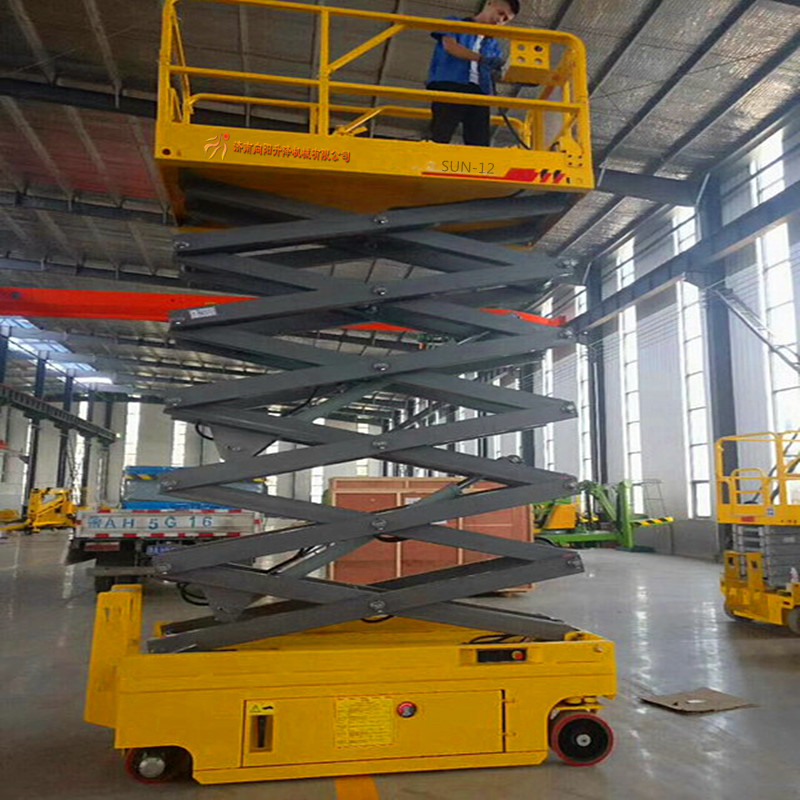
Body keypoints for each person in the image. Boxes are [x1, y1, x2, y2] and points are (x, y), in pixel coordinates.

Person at [427, 0, 519, 147]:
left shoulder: (494, 45)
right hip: (451, 85)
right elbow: (450, 47)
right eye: (500, 13)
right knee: (441, 133)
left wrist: (517, 76)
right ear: (490, 3)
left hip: (479, 92)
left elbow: (494, 73)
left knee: (480, 142)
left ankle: (477, 163)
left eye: (505, 19)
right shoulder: (455, 23)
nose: (500, 20)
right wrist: (482, 59)